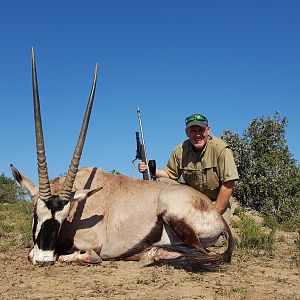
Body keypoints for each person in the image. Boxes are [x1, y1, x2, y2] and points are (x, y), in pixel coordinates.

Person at [138, 113, 239, 230]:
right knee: (162, 181)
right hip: (193, 200)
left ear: (208, 130)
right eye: (193, 131)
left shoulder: (221, 149)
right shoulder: (180, 149)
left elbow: (229, 183)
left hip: (216, 201)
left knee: (217, 237)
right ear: (187, 133)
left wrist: (213, 213)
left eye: (201, 130)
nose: (197, 135)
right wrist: (150, 169)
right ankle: (164, 222)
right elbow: (170, 174)